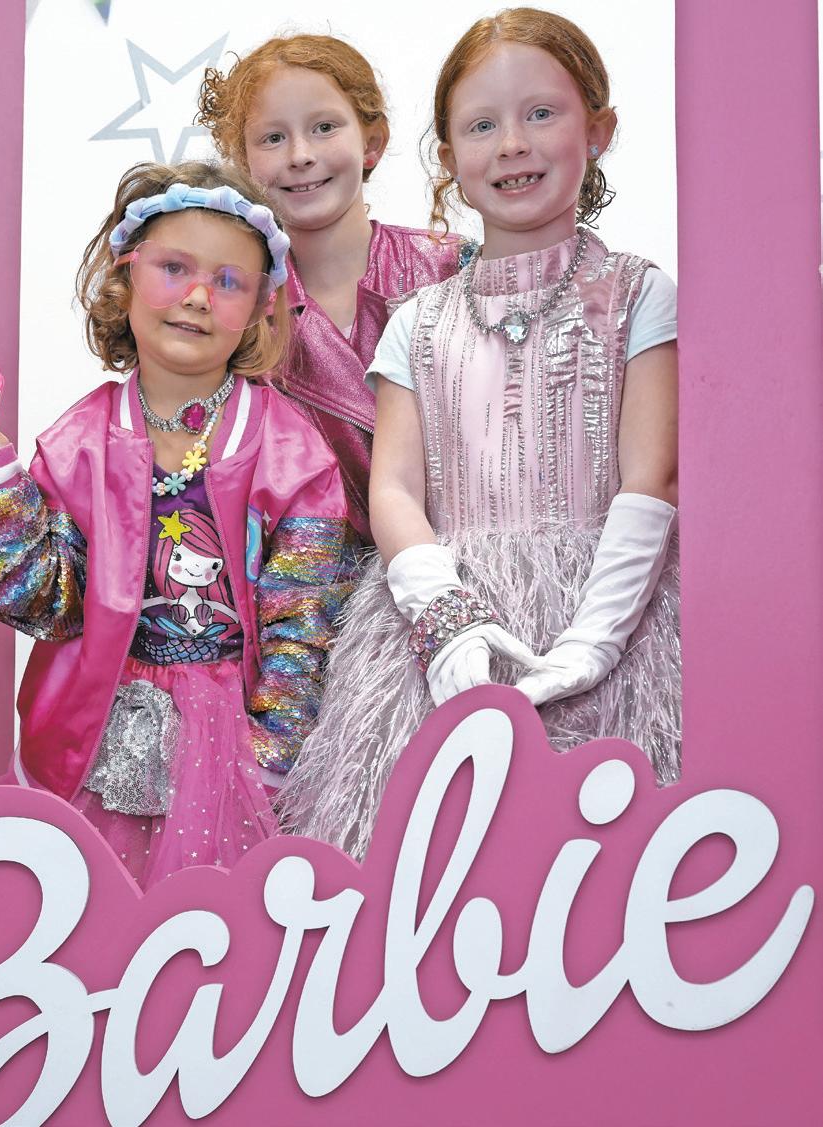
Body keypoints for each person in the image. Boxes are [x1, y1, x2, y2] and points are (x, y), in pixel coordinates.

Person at [280, 8, 680, 858]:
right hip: (437, 627)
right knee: (434, 861)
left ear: (598, 129)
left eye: (541, 113)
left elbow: (652, 477)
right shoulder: (418, 321)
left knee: (601, 863)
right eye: (481, 125)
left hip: (614, 611)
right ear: (448, 158)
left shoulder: (639, 294)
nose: (512, 145)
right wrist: (444, 616)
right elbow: (393, 488)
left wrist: (594, 640)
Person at [0, 161, 356, 885]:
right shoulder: (79, 442)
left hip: (236, 739)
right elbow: (48, 601)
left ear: (261, 307)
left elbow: (303, 623)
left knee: (217, 926)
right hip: (104, 731)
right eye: (173, 269)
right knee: (99, 919)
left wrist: (272, 757)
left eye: (228, 281)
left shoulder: (289, 450)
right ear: (125, 277)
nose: (197, 297)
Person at [198, 34, 476, 542]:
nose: (300, 155)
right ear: (243, 162)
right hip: (304, 579)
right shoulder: (235, 311)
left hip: (462, 565)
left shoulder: (453, 269)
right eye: (272, 138)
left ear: (372, 142)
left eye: (324, 128)